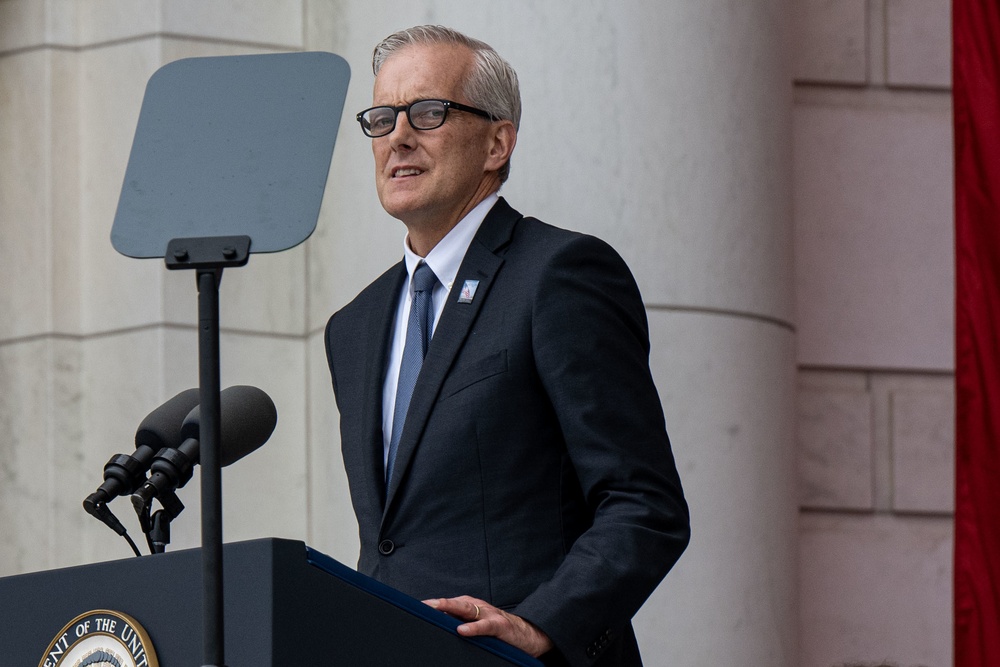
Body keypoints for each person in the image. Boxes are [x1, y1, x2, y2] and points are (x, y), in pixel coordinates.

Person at [325, 25, 690, 667]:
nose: (399, 137)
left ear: (498, 141)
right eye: (382, 119)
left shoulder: (559, 273)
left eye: (429, 112)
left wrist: (539, 626)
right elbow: (392, 544)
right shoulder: (354, 325)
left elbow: (644, 504)